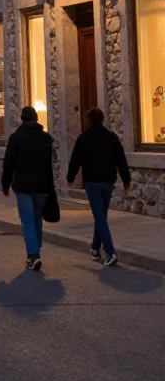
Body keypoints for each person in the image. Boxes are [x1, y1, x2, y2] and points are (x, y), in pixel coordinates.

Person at [67, 106, 131, 267]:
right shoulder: (112, 138)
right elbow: (121, 160)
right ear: (103, 119)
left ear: (88, 120)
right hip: (108, 182)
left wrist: (70, 177)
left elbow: (75, 159)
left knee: (99, 216)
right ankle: (95, 248)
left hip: (92, 183)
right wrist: (126, 181)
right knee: (101, 215)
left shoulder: (83, 138)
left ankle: (110, 252)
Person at [1, 105, 54, 271]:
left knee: (27, 220)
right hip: (42, 185)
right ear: (36, 118)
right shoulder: (46, 138)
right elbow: (49, 164)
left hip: (23, 185)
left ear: (22, 119)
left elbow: (8, 163)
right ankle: (36, 250)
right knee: (37, 218)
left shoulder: (15, 138)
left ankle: (33, 255)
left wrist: (5, 184)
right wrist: (50, 185)